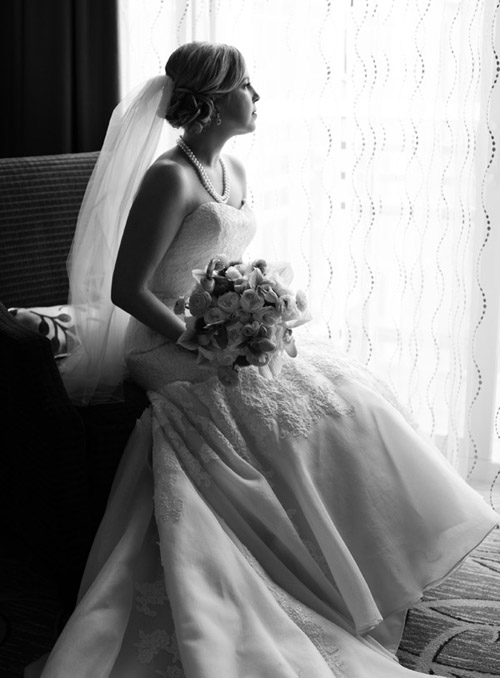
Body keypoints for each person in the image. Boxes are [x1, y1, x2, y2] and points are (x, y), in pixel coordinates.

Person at [31, 42, 498, 678]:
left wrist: (257, 308)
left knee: (345, 395)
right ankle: (295, 568)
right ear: (214, 100)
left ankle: (362, 562)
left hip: (217, 330)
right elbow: (128, 290)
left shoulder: (235, 172)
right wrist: (199, 338)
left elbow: (220, 262)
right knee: (272, 407)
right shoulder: (169, 175)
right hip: (165, 342)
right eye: (248, 85)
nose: (258, 97)